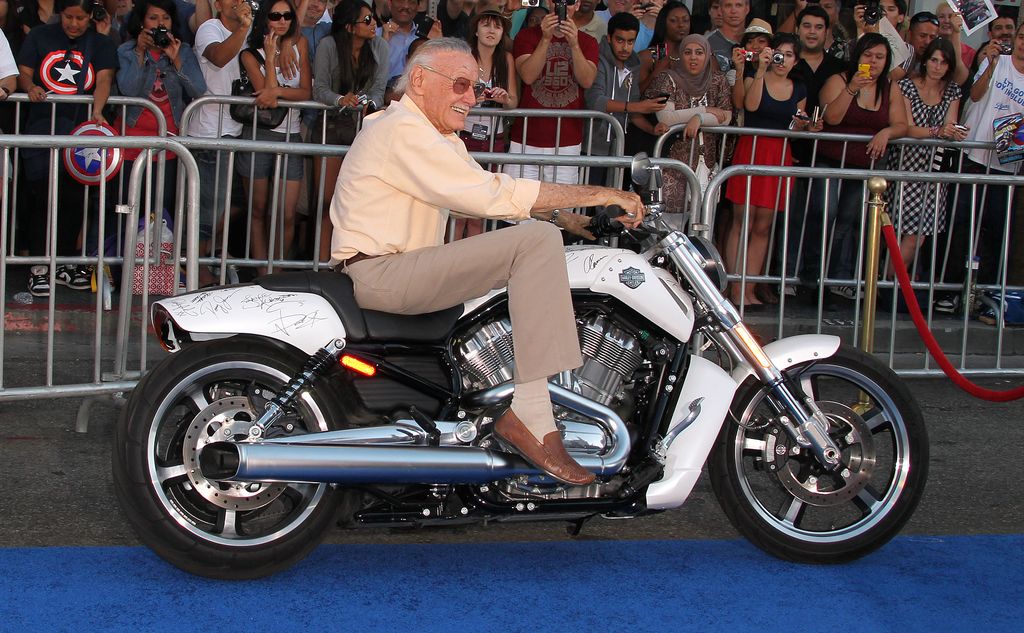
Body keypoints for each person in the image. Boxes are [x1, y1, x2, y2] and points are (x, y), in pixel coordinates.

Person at [329, 37, 645, 484]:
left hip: (402, 268)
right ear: (419, 80)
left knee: (537, 241)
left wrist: (569, 219)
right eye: (460, 84)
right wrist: (600, 193)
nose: (471, 99)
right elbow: (486, 193)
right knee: (535, 242)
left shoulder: (434, 136)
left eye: (476, 88)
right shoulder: (400, 130)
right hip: (382, 272)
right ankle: (532, 415)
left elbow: (471, 189)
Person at [17, 0, 117, 297]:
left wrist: (97, 112)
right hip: (41, 132)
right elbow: (24, 71)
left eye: (80, 18)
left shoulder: (100, 43)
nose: (73, 23)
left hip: (79, 135)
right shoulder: (39, 36)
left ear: (91, 17)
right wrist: (30, 87)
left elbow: (104, 79)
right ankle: (39, 268)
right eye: (69, 17)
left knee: (75, 201)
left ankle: (63, 264)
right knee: (43, 200)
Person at [724, 33, 814, 308]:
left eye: (789, 55)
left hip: (779, 155)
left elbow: (796, 127)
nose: (782, 60)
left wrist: (806, 125)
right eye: (779, 53)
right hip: (752, 150)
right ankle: (736, 288)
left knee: (764, 225)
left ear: (796, 60)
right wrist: (760, 69)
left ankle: (749, 288)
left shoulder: (799, 89)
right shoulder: (754, 78)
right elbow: (750, 105)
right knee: (743, 220)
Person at [816, 33, 906, 300]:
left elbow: (901, 123)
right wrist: (852, 89)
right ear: (858, 57)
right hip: (831, 162)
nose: (874, 62)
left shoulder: (890, 87)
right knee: (824, 215)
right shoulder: (840, 80)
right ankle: (813, 276)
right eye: (868, 55)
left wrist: (886, 133)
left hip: (864, 168)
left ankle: (835, 282)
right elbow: (830, 117)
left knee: (847, 221)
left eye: (880, 57)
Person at [237, 0, 312, 272]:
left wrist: (279, 92)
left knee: (287, 214)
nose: (281, 21)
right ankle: (262, 276)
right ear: (264, 19)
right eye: (275, 15)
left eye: (287, 16)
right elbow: (266, 97)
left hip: (291, 136)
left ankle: (276, 272)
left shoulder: (299, 45)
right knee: (258, 209)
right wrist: (270, 59)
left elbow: (305, 93)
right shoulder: (249, 55)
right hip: (258, 135)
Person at [312, 0, 388, 261]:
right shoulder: (328, 46)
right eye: (366, 20)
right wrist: (339, 99)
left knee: (356, 203)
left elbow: (379, 89)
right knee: (326, 201)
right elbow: (319, 88)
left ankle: (348, 265)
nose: (373, 24)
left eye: (373, 18)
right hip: (330, 124)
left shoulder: (380, 46)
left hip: (364, 128)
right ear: (349, 26)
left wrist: (371, 103)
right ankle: (322, 264)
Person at [115, 0, 206, 216]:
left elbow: (198, 90)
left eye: (165, 18)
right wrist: (139, 52)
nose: (160, 24)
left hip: (168, 144)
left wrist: (176, 61)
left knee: (161, 211)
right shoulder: (126, 50)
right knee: (129, 207)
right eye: (153, 18)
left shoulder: (181, 49)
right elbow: (128, 89)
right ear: (141, 22)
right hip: (130, 142)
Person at [888, 37, 964, 274]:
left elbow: (950, 125)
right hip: (904, 165)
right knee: (898, 232)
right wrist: (937, 132)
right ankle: (886, 282)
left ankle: (888, 281)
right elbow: (907, 127)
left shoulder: (952, 90)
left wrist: (953, 132)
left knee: (918, 235)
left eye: (943, 62)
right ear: (926, 61)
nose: (938, 66)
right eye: (934, 60)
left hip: (933, 171)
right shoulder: (907, 86)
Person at [505, 0, 598, 186]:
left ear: (577, 5)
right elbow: (528, 76)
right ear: (549, 3)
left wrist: (574, 44)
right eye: (558, 1)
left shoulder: (588, 42)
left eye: (569, 2)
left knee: (561, 210)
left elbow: (587, 80)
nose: (562, 7)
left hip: (567, 141)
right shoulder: (526, 36)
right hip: (526, 139)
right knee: (519, 208)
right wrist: (546, 38)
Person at [641, 33, 732, 216]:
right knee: (669, 227)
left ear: (707, 56)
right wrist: (706, 110)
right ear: (680, 55)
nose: (693, 57)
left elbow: (726, 116)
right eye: (688, 52)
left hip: (705, 166)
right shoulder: (668, 78)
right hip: (672, 166)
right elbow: (666, 117)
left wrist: (699, 118)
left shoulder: (718, 80)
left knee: (701, 224)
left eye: (699, 52)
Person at [193, 0, 253, 271]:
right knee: (207, 209)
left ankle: (208, 254)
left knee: (234, 203)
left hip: (236, 130)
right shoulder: (210, 27)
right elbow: (219, 57)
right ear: (217, 4)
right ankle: (198, 268)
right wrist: (243, 29)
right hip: (209, 132)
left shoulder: (249, 31)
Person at [584, 11, 666, 186]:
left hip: (619, 148)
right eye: (620, 40)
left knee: (611, 204)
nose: (625, 47)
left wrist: (653, 129)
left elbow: (633, 109)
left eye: (630, 42)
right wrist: (638, 107)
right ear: (609, 38)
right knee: (587, 206)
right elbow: (596, 101)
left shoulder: (633, 64)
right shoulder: (597, 59)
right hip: (590, 148)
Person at [636, 0, 690, 93]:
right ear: (663, 22)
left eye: (685, 20)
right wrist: (656, 73)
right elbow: (635, 95)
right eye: (674, 20)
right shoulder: (651, 55)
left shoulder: (693, 55)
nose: (681, 25)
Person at [707, 0, 747, 73]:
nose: (733, 11)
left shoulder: (757, 41)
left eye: (738, 5)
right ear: (721, 9)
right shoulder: (706, 42)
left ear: (747, 8)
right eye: (728, 5)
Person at [936, 1, 974, 72]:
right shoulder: (929, 46)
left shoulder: (970, 53)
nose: (947, 21)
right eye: (941, 17)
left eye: (951, 16)